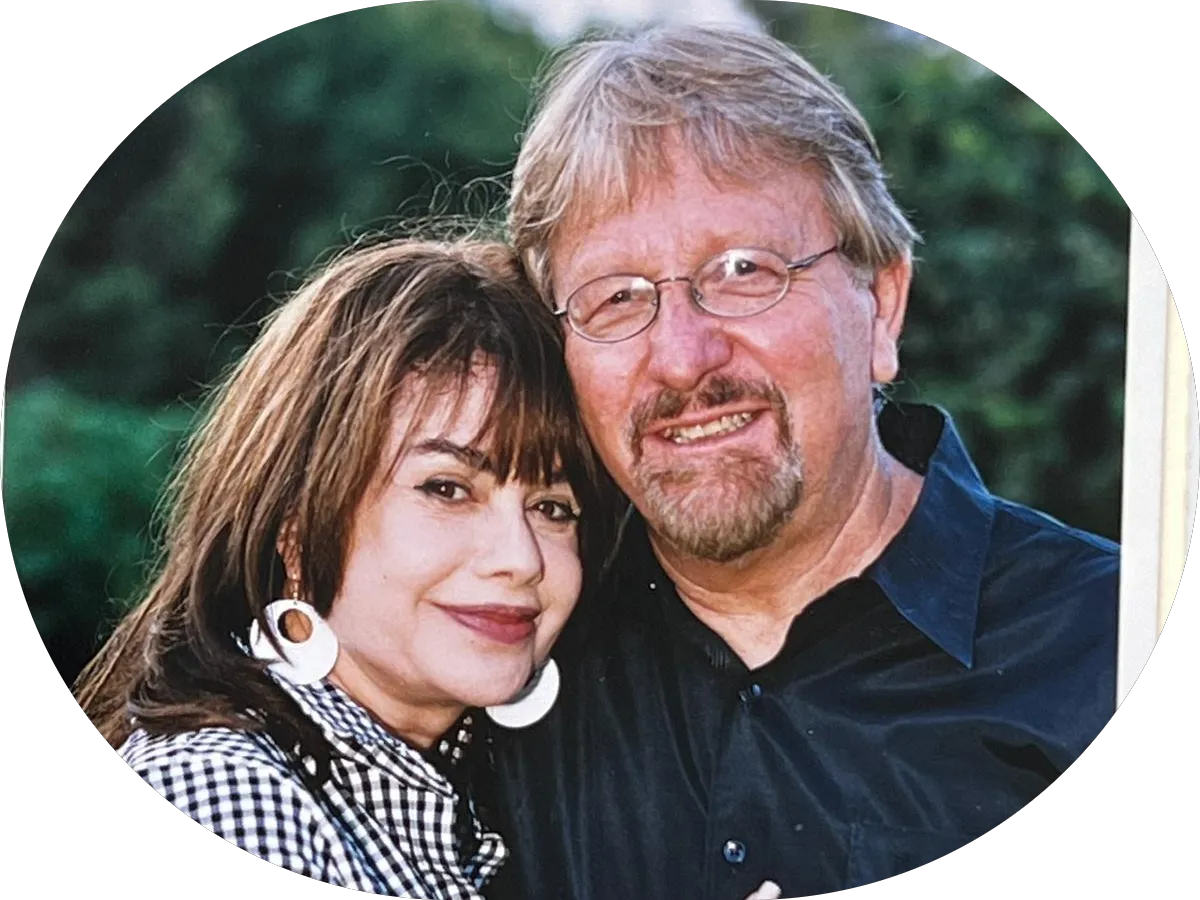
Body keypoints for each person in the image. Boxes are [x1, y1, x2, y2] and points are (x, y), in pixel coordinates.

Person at [482, 24, 1121, 899]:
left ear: (882, 305)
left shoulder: (1109, 645)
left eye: (743, 270)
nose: (683, 358)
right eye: (615, 297)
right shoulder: (502, 661)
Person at [74, 238, 616, 898]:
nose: (520, 558)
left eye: (553, 507)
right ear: (297, 527)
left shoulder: (461, 805)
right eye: (447, 488)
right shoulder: (228, 798)